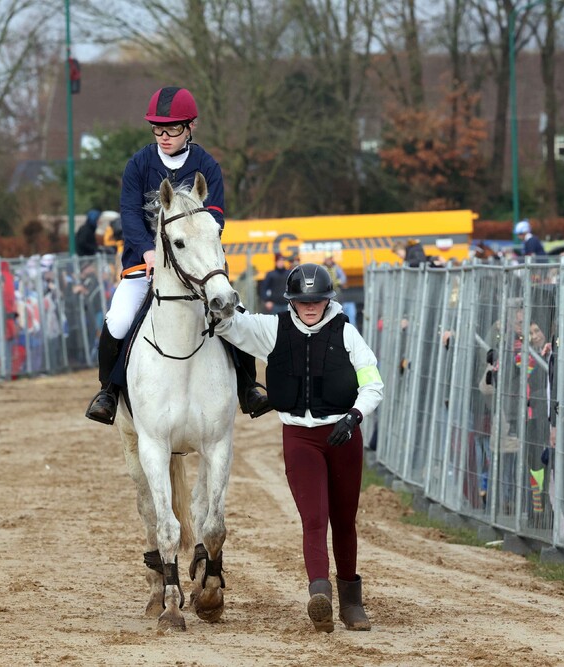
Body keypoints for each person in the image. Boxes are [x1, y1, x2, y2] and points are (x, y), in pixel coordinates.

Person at [215, 263, 384, 632]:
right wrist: (218, 295)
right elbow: (230, 327)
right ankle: (319, 594)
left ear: (328, 300)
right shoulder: (272, 329)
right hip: (300, 437)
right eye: (303, 301)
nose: (310, 306)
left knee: (344, 521)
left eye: (317, 300)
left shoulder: (348, 333)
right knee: (314, 518)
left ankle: (351, 602)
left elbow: (373, 383)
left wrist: (354, 416)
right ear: (291, 301)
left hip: (343, 436)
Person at [85, 86, 269, 424]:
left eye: (172, 129)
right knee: (119, 319)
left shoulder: (207, 165)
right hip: (144, 264)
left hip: (199, 268)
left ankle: (248, 388)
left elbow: (215, 217)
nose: (164, 137)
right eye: (158, 129)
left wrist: (194, 251)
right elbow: (129, 214)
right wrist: (148, 252)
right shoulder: (139, 164)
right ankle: (107, 392)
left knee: (234, 313)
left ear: (190, 126)